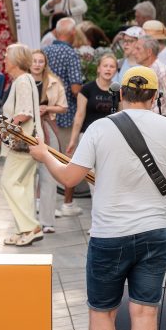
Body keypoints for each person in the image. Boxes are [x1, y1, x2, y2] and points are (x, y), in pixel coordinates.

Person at [29, 66, 166, 330]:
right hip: (153, 233)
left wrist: (45, 155)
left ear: (121, 94)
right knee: (145, 313)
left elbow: (70, 177)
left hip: (108, 234)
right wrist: (163, 187)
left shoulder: (100, 128)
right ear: (155, 97)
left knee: (102, 313)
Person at [0, 44, 44, 246]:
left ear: (16, 60)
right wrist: (1, 128)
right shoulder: (24, 80)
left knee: (9, 182)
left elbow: (24, 113)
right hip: (29, 142)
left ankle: (31, 227)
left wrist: (1, 130)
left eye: (7, 56)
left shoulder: (22, 82)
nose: (4, 60)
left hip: (24, 143)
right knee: (23, 185)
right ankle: (23, 230)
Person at [43, 18, 85, 217]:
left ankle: (42, 203)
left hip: (46, 115)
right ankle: (67, 204)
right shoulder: (71, 54)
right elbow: (76, 88)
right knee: (70, 159)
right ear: (72, 34)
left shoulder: (45, 51)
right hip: (66, 115)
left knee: (47, 159)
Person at [31, 49, 68, 234]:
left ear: (45, 64)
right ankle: (29, 220)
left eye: (40, 61)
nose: (37, 64)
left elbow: (64, 107)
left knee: (48, 176)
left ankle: (47, 221)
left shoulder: (53, 82)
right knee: (28, 176)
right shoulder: (22, 80)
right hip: (27, 130)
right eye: (34, 61)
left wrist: (48, 107)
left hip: (47, 128)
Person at [68, 53, 119, 155]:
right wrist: (73, 140)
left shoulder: (118, 90)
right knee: (89, 170)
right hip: (88, 135)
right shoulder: (87, 89)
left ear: (116, 71)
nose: (108, 69)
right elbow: (79, 115)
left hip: (109, 137)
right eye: (105, 66)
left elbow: (120, 116)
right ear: (98, 69)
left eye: (112, 66)